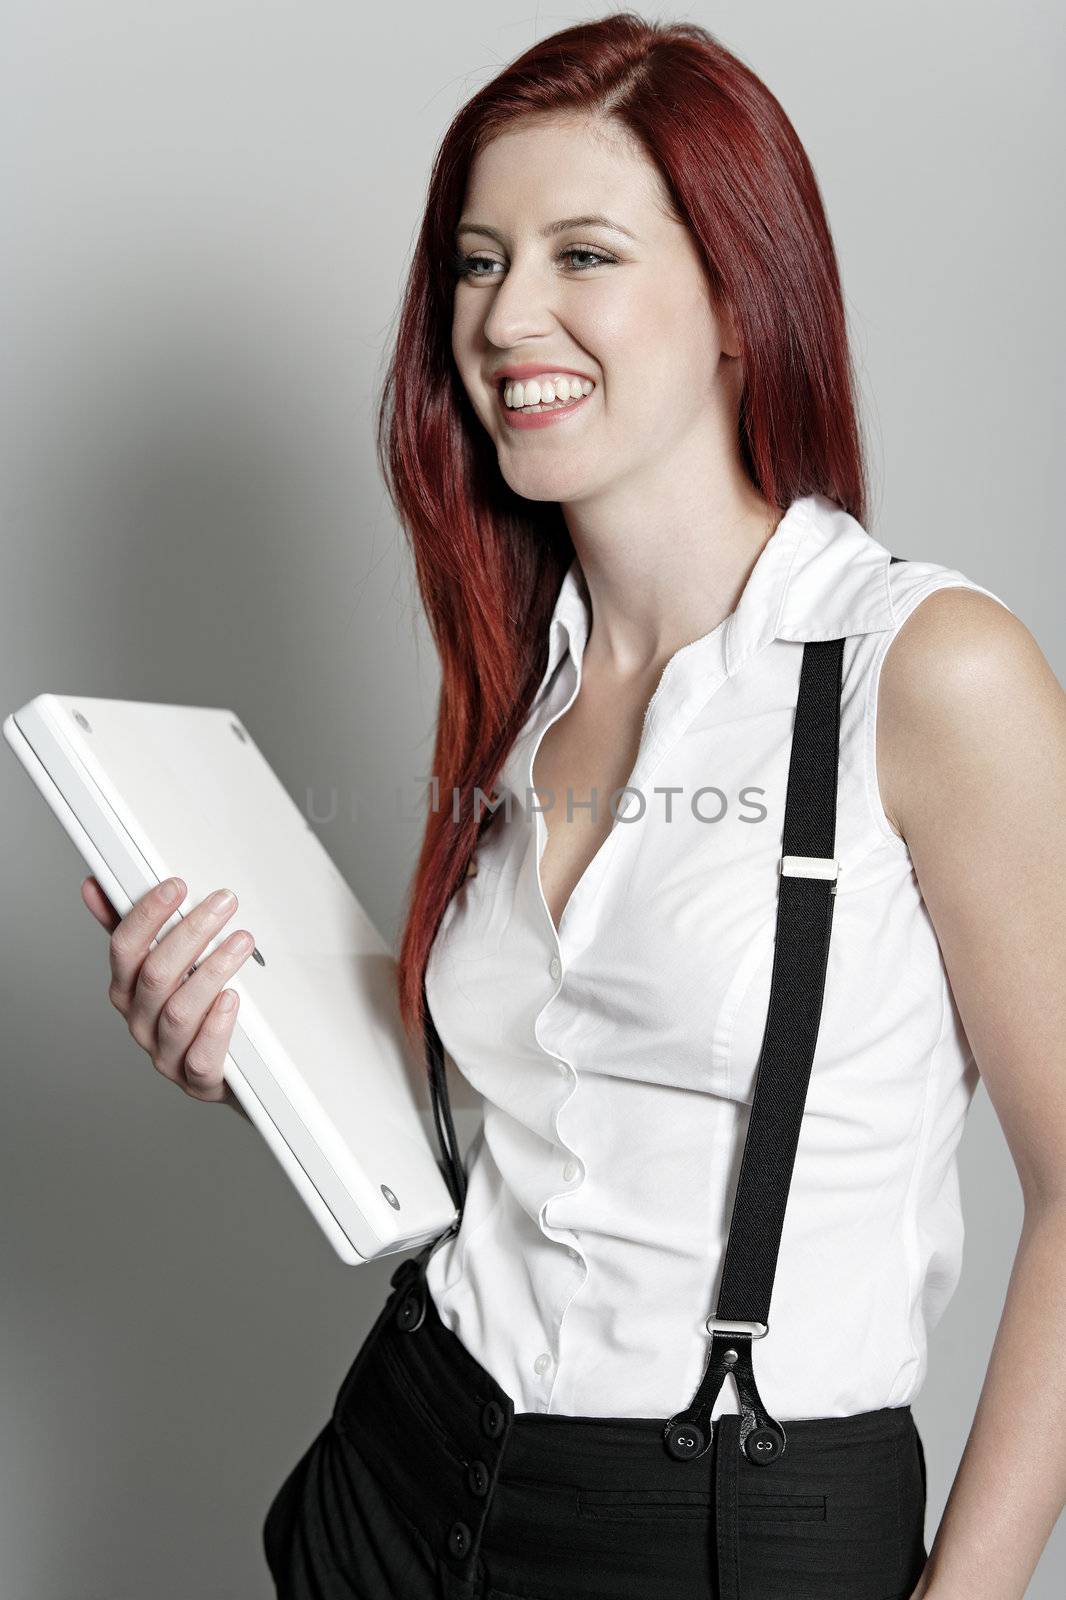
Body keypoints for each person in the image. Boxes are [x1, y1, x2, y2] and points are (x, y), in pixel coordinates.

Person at [81, 14, 1066, 1599]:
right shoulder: (522, 687)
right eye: (476, 262)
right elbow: (544, 1119)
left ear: (740, 301)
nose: (506, 315)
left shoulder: (922, 667)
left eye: (580, 254)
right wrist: (232, 1046)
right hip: (405, 1469)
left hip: (724, 1526)